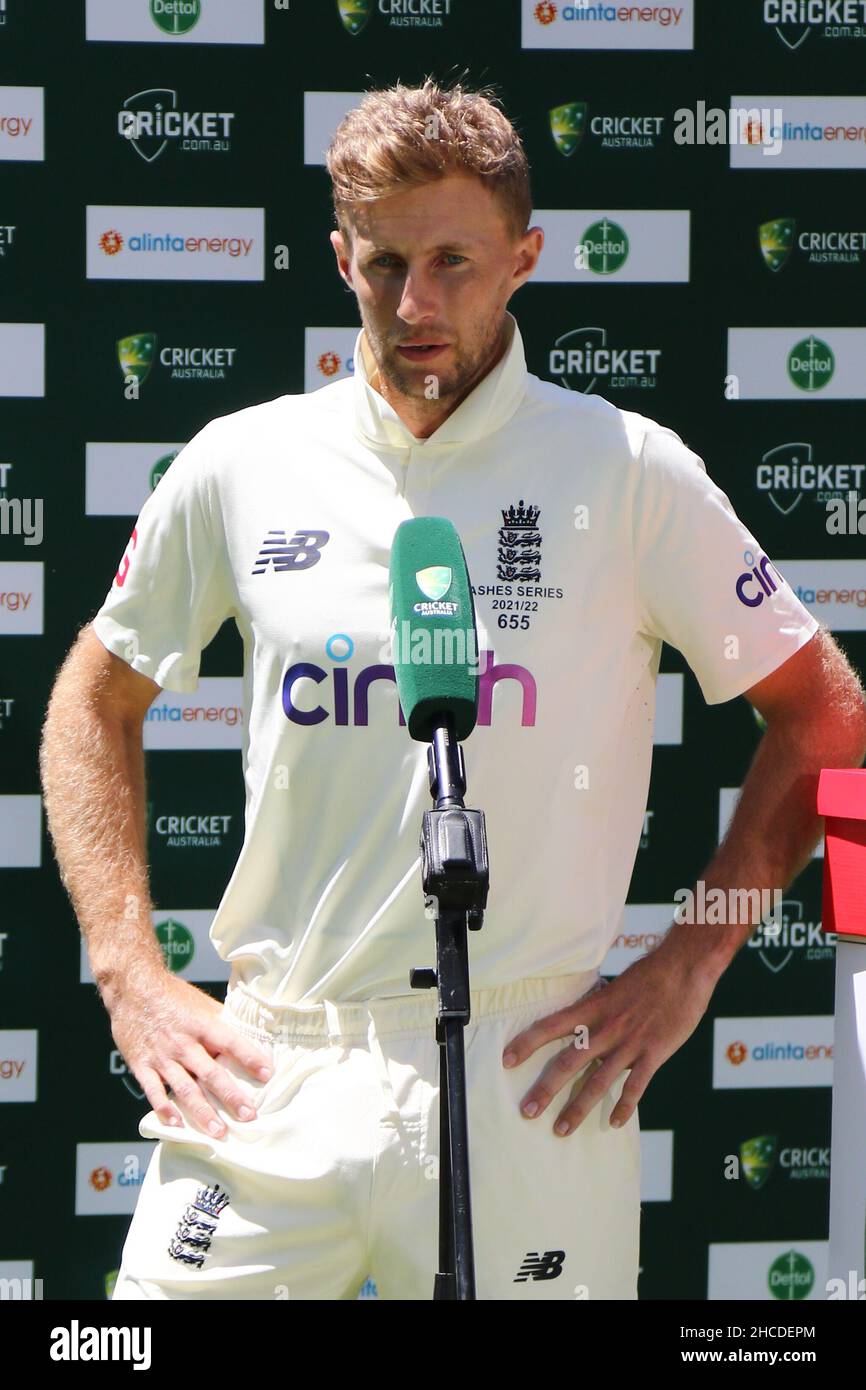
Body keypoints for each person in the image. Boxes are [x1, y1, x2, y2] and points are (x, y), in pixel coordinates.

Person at [40, 77, 866, 1301]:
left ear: (525, 257)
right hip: (272, 1060)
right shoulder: (240, 462)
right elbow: (90, 699)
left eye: (452, 263)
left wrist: (687, 962)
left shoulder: (626, 468)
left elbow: (827, 715)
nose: (415, 304)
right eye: (381, 266)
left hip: (529, 1065)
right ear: (337, 258)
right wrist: (128, 969)